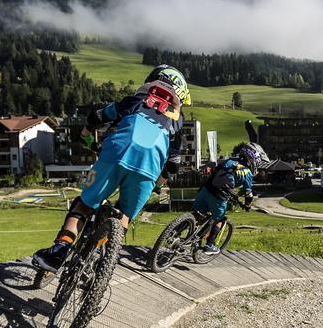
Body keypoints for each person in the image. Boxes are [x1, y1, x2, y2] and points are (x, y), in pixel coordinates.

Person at [32, 65, 191, 272]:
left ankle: (59, 251)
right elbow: (173, 164)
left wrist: (87, 135)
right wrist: (157, 186)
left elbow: (97, 117)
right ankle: (103, 265)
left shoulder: (135, 101)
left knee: (84, 205)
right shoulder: (177, 122)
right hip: (149, 171)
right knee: (124, 216)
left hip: (115, 154)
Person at [193, 141, 270, 254]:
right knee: (221, 219)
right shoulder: (247, 172)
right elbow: (248, 195)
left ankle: (178, 232)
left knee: (197, 215)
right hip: (219, 196)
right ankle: (209, 245)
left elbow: (216, 172)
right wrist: (247, 205)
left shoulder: (230, 161)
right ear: (253, 158)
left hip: (205, 190)